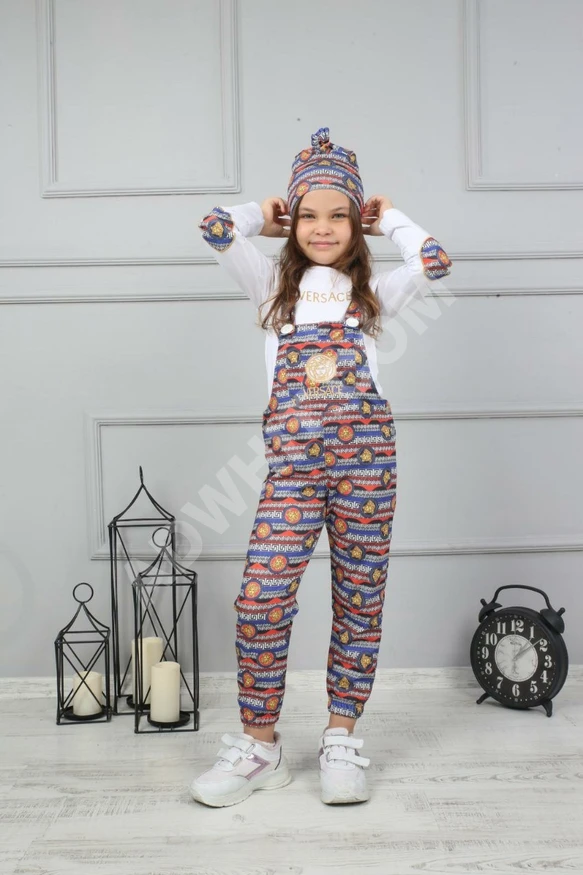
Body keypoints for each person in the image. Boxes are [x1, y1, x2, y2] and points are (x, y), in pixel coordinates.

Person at [190, 126, 452, 808]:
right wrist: (261, 213)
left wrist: (389, 217)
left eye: (340, 215)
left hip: (368, 472)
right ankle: (260, 747)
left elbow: (435, 259)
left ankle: (340, 737)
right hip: (292, 474)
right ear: (293, 220)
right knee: (261, 600)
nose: (324, 228)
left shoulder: (376, 295)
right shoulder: (269, 290)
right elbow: (216, 227)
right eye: (309, 215)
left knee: (359, 600)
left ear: (357, 224)